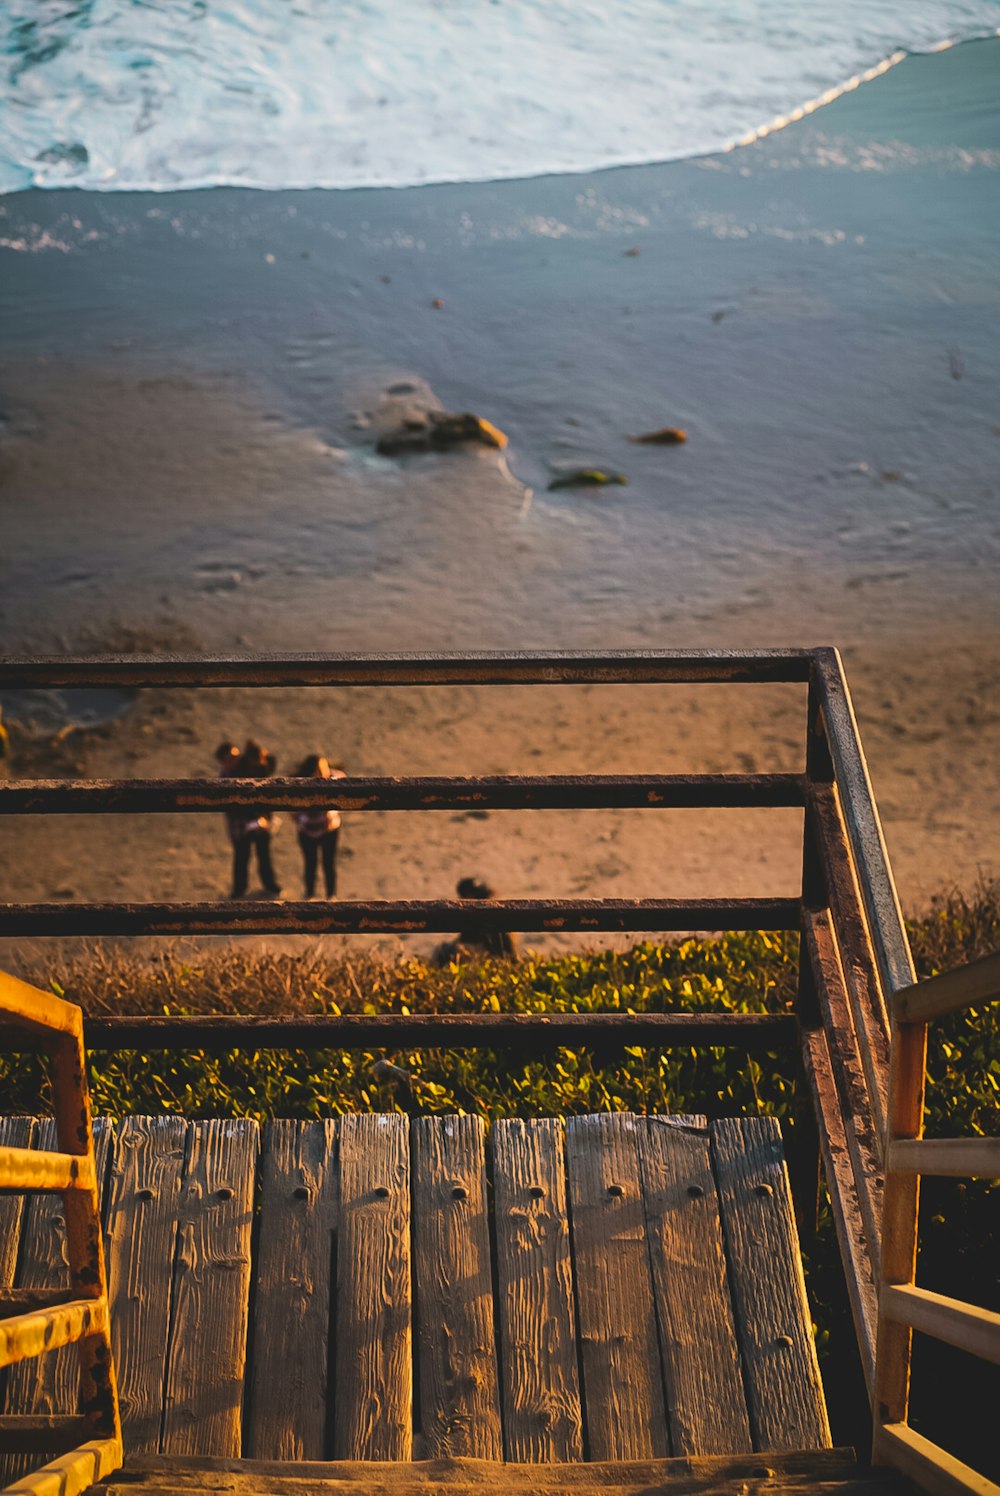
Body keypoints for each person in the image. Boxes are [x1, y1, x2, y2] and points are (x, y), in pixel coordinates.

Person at [225, 739, 282, 899]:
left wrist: (265, 818)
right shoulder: (238, 771)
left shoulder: (263, 767)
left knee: (264, 856)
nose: (259, 763)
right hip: (243, 823)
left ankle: (270, 885)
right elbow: (236, 802)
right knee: (242, 857)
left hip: (262, 821)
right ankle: (239, 890)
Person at [433, 876, 519, 964]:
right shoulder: (493, 902)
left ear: (468, 894)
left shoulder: (475, 909)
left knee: (441, 952)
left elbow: (467, 938)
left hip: (488, 951)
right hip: (500, 952)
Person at [294, 754, 345, 899]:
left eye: (325, 768)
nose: (324, 772)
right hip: (307, 831)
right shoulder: (301, 786)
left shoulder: (332, 780)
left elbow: (342, 779)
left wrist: (332, 814)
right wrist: (300, 819)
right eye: (319, 769)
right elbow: (292, 809)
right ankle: (310, 895)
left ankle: (331, 896)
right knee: (310, 864)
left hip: (329, 830)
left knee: (329, 863)